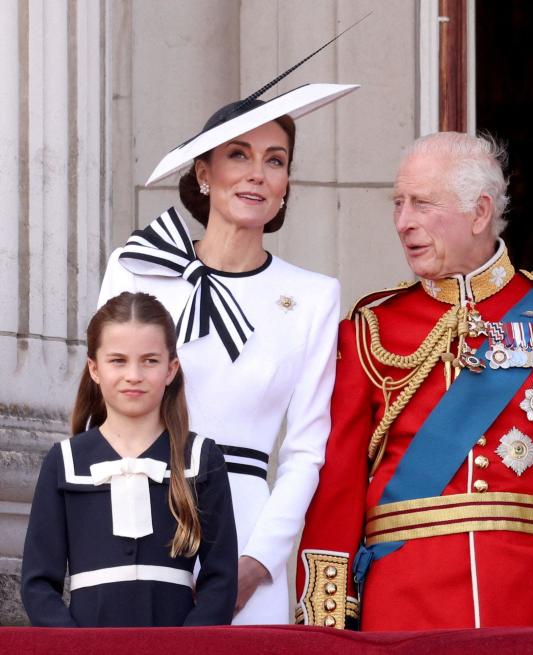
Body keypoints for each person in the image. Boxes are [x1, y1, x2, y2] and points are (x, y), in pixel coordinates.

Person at [295, 131, 533, 630]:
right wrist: (326, 627)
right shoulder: (370, 327)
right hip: (401, 611)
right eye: (398, 203)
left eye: (421, 204)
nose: (403, 222)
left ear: (479, 212)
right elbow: (337, 493)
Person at [97, 79, 357, 623]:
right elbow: (101, 411)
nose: (257, 174)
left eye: (275, 160)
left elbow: (307, 450)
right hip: (134, 515)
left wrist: (257, 563)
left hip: (245, 529)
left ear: (287, 182)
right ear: (203, 172)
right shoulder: (138, 268)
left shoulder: (314, 296)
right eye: (238, 155)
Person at [20, 292, 237, 626]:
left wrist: (189, 647)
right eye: (118, 361)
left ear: (171, 368)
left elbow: (220, 580)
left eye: (149, 360)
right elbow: (38, 585)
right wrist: (76, 649)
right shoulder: (63, 461)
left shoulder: (201, 459)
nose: (133, 375)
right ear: (94, 368)